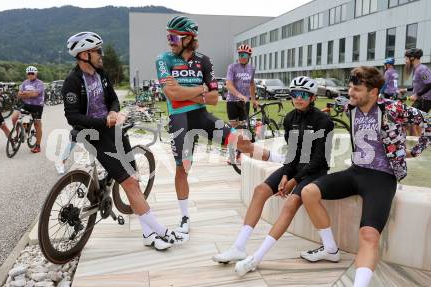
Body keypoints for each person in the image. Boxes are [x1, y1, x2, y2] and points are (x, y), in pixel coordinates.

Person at [300, 66, 431, 287]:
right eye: (350, 87)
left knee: (369, 236)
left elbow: (427, 121)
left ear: (374, 92)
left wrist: (415, 150)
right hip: (355, 172)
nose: (351, 93)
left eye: (357, 89)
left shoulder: (392, 108)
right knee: (308, 192)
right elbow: (331, 106)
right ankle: (330, 248)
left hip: (382, 177)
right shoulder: (351, 105)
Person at [63, 31, 188, 251]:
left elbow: (112, 99)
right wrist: (104, 121)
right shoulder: (72, 82)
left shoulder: (101, 74)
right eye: (97, 51)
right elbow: (72, 117)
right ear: (84, 54)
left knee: (133, 179)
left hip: (113, 128)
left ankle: (148, 234)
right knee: (129, 182)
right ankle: (161, 230)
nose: (101, 55)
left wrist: (113, 113)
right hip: (93, 133)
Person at [212, 76, 335, 276]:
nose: (298, 98)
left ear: (312, 98)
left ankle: (256, 258)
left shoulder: (324, 121)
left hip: (316, 170)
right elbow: (292, 154)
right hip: (296, 167)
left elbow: (319, 160)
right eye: (295, 94)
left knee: (290, 204)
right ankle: (239, 247)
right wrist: (286, 175)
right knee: (260, 190)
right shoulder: (290, 119)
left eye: (304, 95)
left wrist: (294, 180)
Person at [156, 16, 251, 234]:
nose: (169, 41)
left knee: (241, 141)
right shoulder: (164, 59)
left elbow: (214, 99)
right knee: (183, 169)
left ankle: (279, 163)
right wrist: (200, 91)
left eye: (174, 37)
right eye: (168, 36)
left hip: (201, 116)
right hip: (178, 119)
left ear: (188, 39)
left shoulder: (204, 60)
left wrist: (186, 93)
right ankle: (185, 217)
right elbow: (171, 93)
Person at [12, 66, 45, 153]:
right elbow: (19, 95)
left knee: (37, 124)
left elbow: (35, 94)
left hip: (37, 106)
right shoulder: (24, 83)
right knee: (14, 117)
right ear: (27, 74)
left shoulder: (40, 83)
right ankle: (18, 134)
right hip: (26, 104)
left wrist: (25, 93)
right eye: (29, 73)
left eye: (32, 73)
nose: (30, 75)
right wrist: (29, 94)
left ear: (36, 74)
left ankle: (38, 145)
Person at [225, 44, 258, 128]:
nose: (242, 57)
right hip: (232, 101)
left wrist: (253, 100)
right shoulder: (232, 67)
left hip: (245, 102)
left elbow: (251, 84)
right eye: (240, 54)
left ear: (249, 56)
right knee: (234, 127)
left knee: (244, 127)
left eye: (244, 55)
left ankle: (243, 140)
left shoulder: (251, 68)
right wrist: (240, 95)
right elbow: (229, 85)